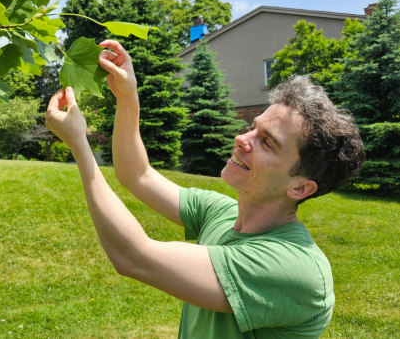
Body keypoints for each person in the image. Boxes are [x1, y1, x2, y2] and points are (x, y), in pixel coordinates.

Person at [45, 40, 365, 338]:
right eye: (254, 127)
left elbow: (133, 257)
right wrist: (127, 95)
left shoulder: (297, 270)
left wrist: (79, 146)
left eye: (267, 143)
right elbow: (137, 175)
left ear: (300, 188)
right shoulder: (221, 213)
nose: (242, 139)